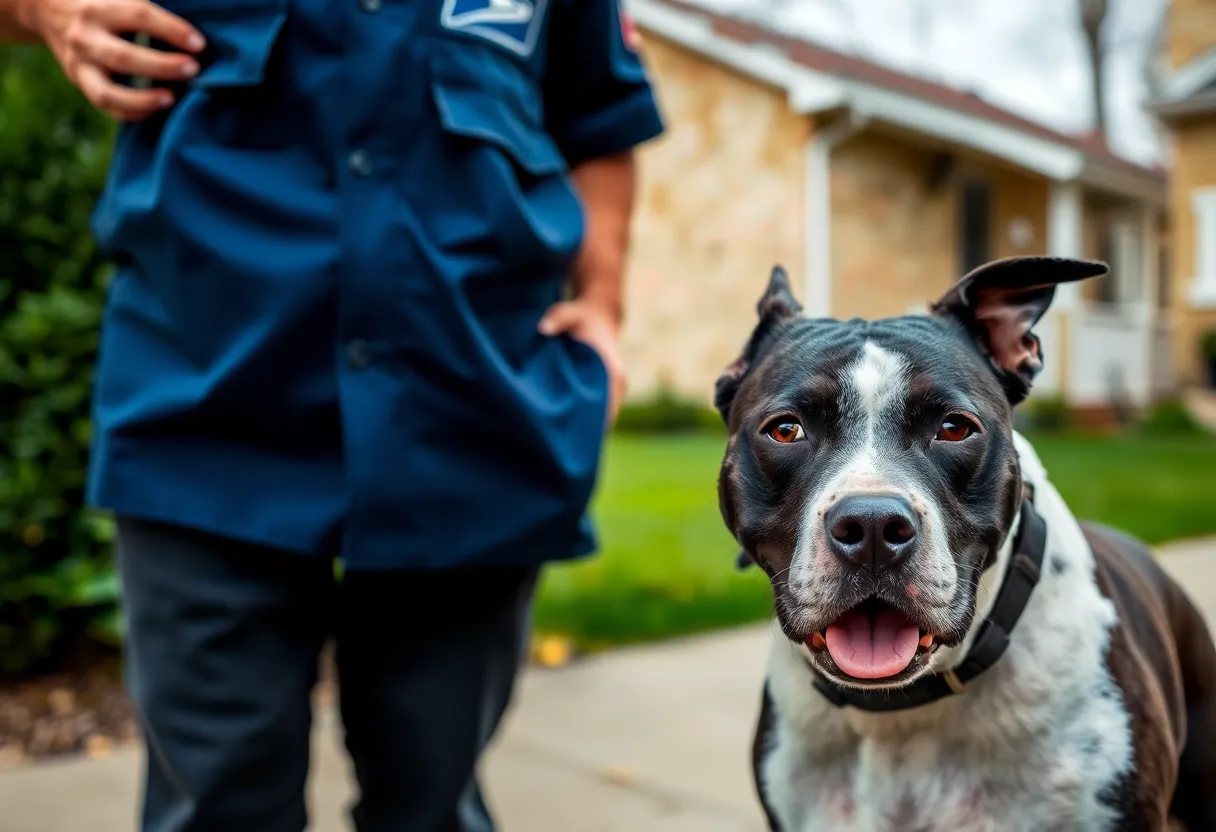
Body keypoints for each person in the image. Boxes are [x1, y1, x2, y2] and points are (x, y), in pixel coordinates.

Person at [0, 0, 664, 829]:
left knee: (433, 806)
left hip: (474, 419)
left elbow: (599, 115)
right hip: (205, 417)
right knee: (216, 809)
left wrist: (603, 306)